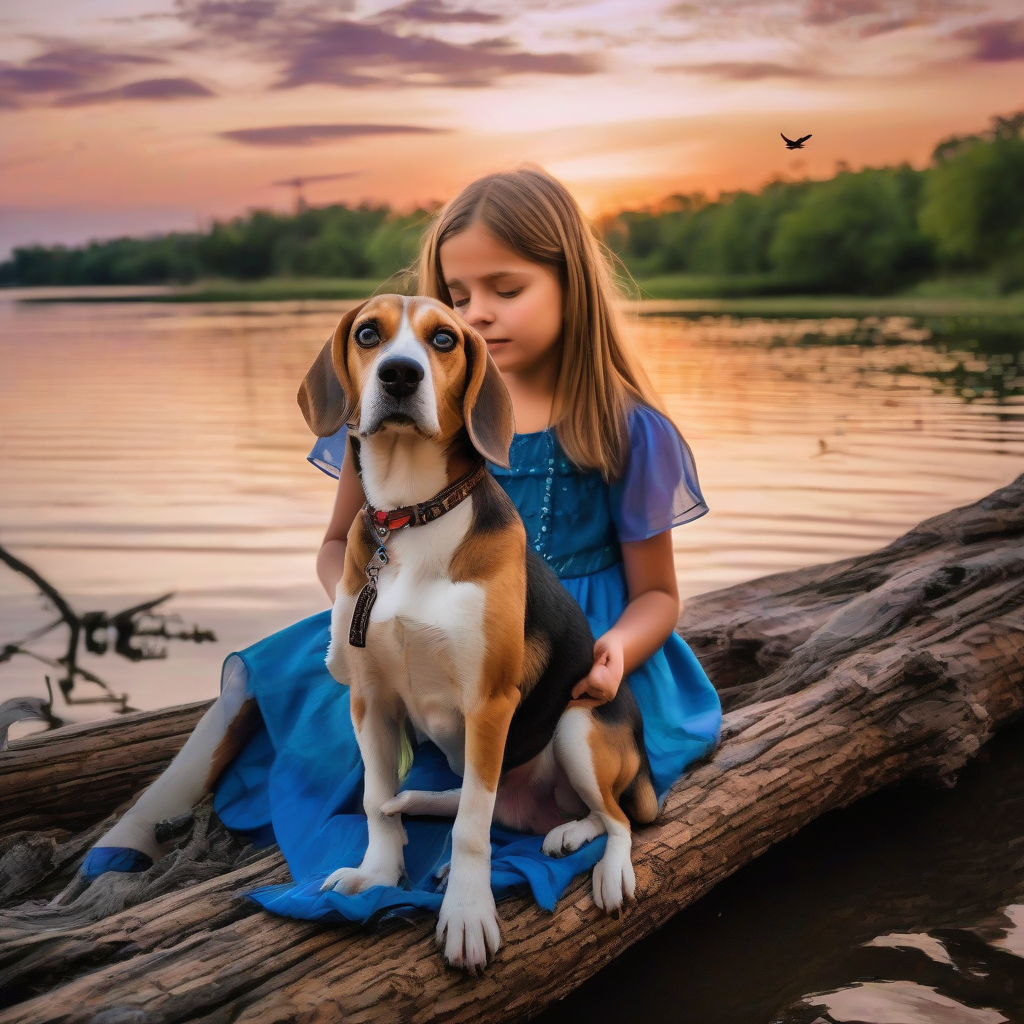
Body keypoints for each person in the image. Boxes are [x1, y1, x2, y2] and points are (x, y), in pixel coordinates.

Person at [83, 168, 721, 922]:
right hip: (400, 616)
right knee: (267, 673)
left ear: (570, 285)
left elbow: (658, 594)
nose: (477, 312)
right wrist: (364, 616)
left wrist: (617, 650)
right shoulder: (390, 409)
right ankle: (153, 817)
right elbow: (335, 545)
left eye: (505, 289)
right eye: (457, 295)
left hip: (567, 644)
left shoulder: (625, 426)